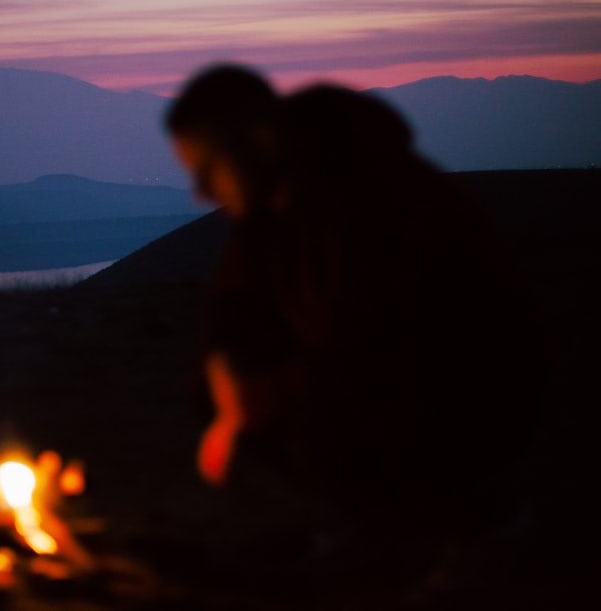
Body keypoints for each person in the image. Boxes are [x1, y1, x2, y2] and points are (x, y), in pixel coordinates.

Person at [165, 64, 544, 597]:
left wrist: (268, 393)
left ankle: (481, 520)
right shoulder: (269, 209)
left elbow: (377, 343)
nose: (201, 192)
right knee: (217, 390)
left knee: (323, 410)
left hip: (471, 391)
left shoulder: (372, 195)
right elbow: (231, 308)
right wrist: (226, 378)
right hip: (366, 381)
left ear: (260, 141)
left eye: (209, 168)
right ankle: (382, 525)